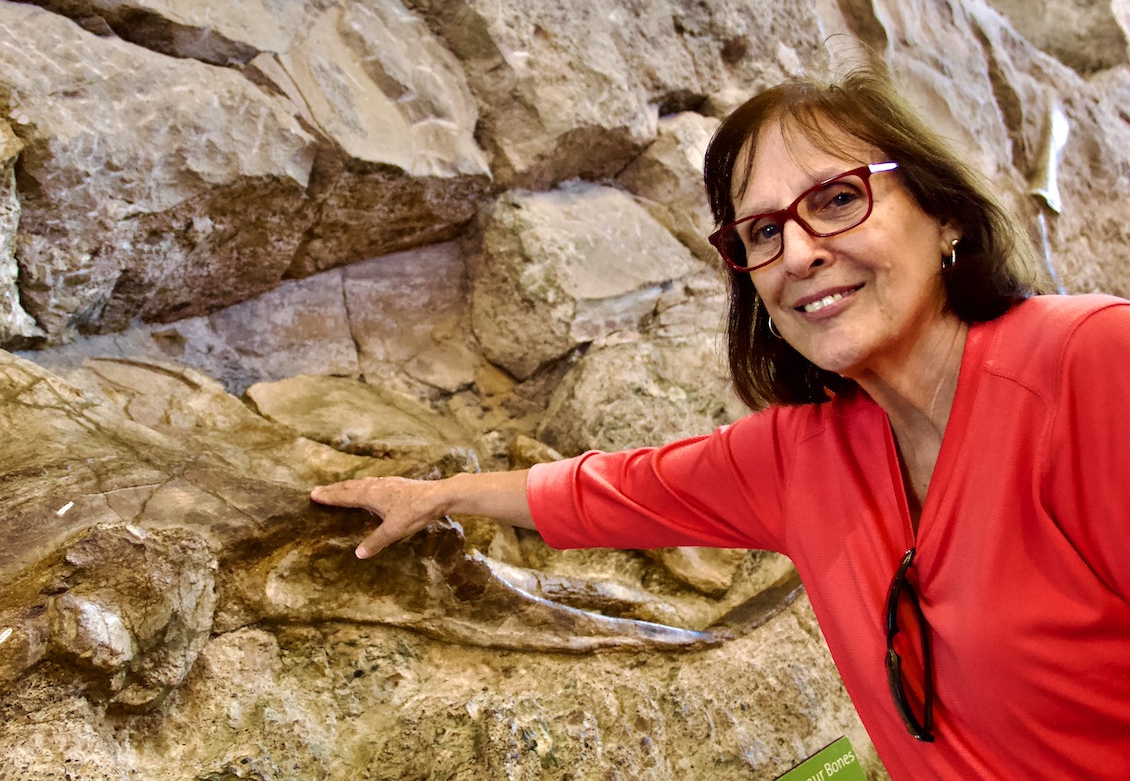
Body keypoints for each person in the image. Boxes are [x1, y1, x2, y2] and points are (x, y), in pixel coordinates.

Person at [311, 68, 1130, 780]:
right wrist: (440, 494)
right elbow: (615, 491)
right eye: (764, 232)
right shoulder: (805, 452)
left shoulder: (1093, 369)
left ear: (944, 214)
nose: (801, 252)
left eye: (839, 199)